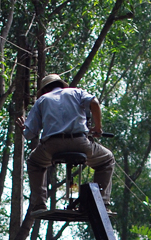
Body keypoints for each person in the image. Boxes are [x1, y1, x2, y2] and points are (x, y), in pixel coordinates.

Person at [17, 73, 115, 214]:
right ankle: (102, 203)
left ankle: (39, 204)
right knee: (107, 160)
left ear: (45, 90)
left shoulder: (42, 100)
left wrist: (23, 129)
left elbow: (29, 134)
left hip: (52, 146)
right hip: (80, 142)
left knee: (34, 162)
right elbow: (94, 103)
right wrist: (98, 127)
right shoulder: (77, 92)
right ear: (62, 85)